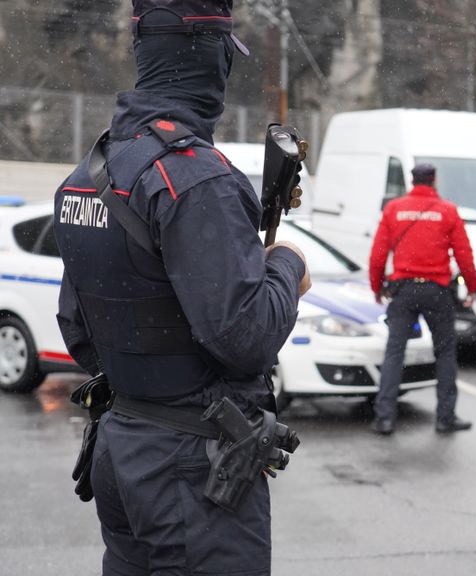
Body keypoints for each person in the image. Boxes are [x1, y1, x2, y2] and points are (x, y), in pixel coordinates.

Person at [53, 2, 311, 574]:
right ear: (211, 59)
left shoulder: (88, 174)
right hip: (193, 469)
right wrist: (288, 266)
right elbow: (245, 337)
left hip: (122, 448)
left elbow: (77, 328)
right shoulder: (196, 178)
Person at [368, 163, 476, 435]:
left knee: (395, 352)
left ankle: (385, 418)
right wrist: (473, 287)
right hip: (437, 291)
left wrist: (377, 287)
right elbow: (464, 254)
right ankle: (445, 417)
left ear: (412, 180)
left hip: (403, 291)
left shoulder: (394, 209)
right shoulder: (447, 211)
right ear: (434, 180)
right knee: (445, 353)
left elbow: (378, 254)